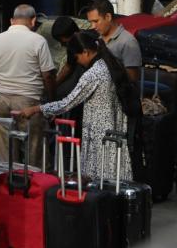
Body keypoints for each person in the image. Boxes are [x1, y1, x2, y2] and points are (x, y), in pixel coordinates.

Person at [19, 31, 139, 182]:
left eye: (77, 58)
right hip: (112, 130)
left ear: (85, 52)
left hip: (99, 133)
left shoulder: (94, 74)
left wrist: (37, 108)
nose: (78, 62)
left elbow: (67, 102)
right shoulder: (109, 64)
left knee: (98, 179)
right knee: (112, 178)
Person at [0, 4, 56, 165]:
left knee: (6, 149)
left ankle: (8, 183)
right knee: (34, 148)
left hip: (0, 100)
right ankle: (32, 184)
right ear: (33, 20)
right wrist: (52, 103)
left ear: (11, 20)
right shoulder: (38, 41)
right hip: (28, 101)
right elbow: (48, 75)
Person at [85, 0, 142, 82]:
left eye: (96, 21)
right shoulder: (98, 39)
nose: (93, 26)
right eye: (91, 22)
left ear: (108, 17)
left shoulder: (128, 42)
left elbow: (133, 78)